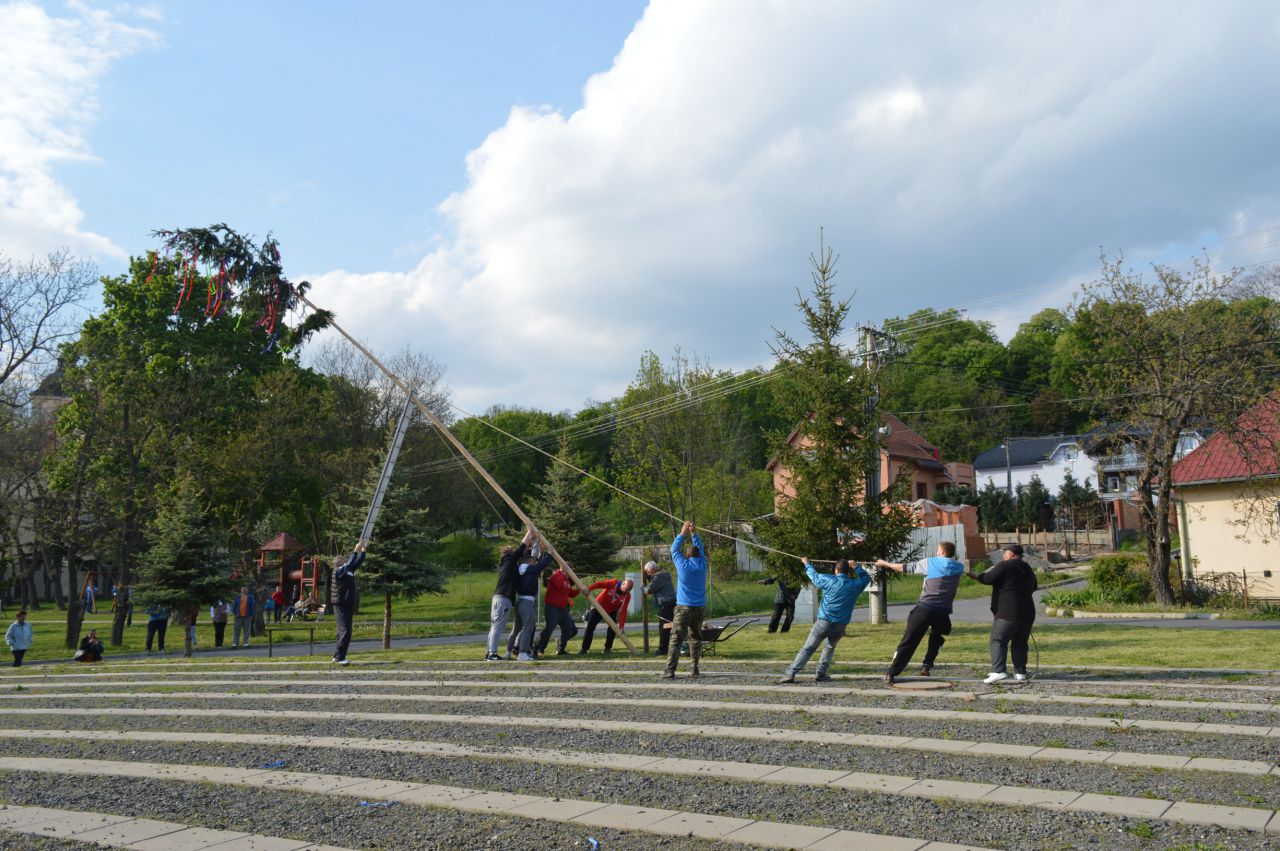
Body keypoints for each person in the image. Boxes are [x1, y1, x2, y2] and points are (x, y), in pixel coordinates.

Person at [877, 541, 967, 683]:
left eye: (938, 550)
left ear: (942, 552)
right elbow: (967, 572)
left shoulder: (930, 562)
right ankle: (927, 665)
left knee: (908, 641)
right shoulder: (959, 567)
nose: (936, 552)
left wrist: (885, 563)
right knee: (937, 638)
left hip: (924, 608)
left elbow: (904, 568)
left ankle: (891, 673)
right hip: (942, 612)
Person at [779, 559, 871, 683]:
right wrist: (856, 567)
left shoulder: (828, 580)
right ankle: (821, 674)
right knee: (829, 648)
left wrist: (806, 563)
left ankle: (790, 674)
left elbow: (814, 576)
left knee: (808, 648)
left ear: (836, 570)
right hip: (840, 625)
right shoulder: (855, 585)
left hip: (824, 622)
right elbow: (866, 578)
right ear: (848, 571)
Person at [969, 544, 1038, 684]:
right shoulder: (1027, 568)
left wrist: (975, 575)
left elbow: (988, 578)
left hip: (1008, 612)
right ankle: (1020, 673)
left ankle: (998, 671)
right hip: (1027, 612)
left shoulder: (1005, 565)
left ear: (1011, 554)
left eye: (1005, 553)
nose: (1003, 555)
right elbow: (1034, 586)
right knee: (1020, 643)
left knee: (998, 640)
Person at [663, 521, 708, 680]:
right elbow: (701, 549)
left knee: (676, 639)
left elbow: (674, 549)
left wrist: (683, 533)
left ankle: (670, 670)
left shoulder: (683, 565)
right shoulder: (703, 564)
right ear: (699, 555)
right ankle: (694, 668)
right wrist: (694, 534)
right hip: (700, 607)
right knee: (695, 638)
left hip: (684, 608)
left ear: (687, 556)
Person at [486, 528, 535, 661]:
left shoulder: (505, 563)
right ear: (509, 553)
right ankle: (492, 654)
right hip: (504, 598)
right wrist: (529, 531)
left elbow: (523, 551)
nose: (515, 551)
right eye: (512, 550)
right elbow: (523, 545)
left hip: (497, 598)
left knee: (494, 626)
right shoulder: (510, 560)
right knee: (498, 627)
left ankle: (489, 653)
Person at [506, 543, 554, 661]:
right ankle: (522, 653)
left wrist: (542, 552)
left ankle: (508, 652)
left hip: (519, 601)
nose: (535, 563)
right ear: (530, 561)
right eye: (534, 561)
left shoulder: (520, 569)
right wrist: (550, 554)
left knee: (516, 629)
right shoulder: (530, 569)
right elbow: (541, 565)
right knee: (528, 627)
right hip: (527, 602)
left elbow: (538, 565)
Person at [332, 539, 369, 665]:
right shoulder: (339, 571)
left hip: (347, 603)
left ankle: (337, 656)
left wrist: (363, 550)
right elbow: (350, 562)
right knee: (346, 631)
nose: (344, 559)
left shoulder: (347, 570)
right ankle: (340, 658)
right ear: (338, 563)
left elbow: (357, 562)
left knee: (342, 631)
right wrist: (356, 550)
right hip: (341, 604)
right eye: (342, 559)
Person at [536, 562, 580, 656]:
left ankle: (561, 650)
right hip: (552, 607)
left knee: (568, 628)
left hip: (562, 608)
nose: (571, 573)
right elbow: (557, 584)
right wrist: (563, 574)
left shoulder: (566, 580)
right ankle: (538, 648)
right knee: (549, 629)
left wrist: (579, 589)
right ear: (564, 569)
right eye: (570, 570)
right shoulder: (556, 575)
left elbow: (571, 593)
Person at [579, 577, 632, 654]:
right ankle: (584, 649)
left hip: (611, 611)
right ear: (623, 583)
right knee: (590, 626)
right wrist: (589, 589)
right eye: (626, 589)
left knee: (613, 628)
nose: (627, 591)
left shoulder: (627, 595)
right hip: (598, 606)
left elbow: (623, 611)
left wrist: (621, 627)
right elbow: (599, 584)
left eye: (629, 590)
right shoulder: (613, 583)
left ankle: (608, 648)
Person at [643, 561, 676, 656]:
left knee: (663, 628)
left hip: (666, 605)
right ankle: (669, 648)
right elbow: (653, 582)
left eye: (647, 572)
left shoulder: (658, 577)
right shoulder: (663, 575)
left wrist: (642, 587)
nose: (647, 574)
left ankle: (662, 650)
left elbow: (648, 590)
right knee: (669, 627)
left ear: (652, 570)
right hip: (671, 603)